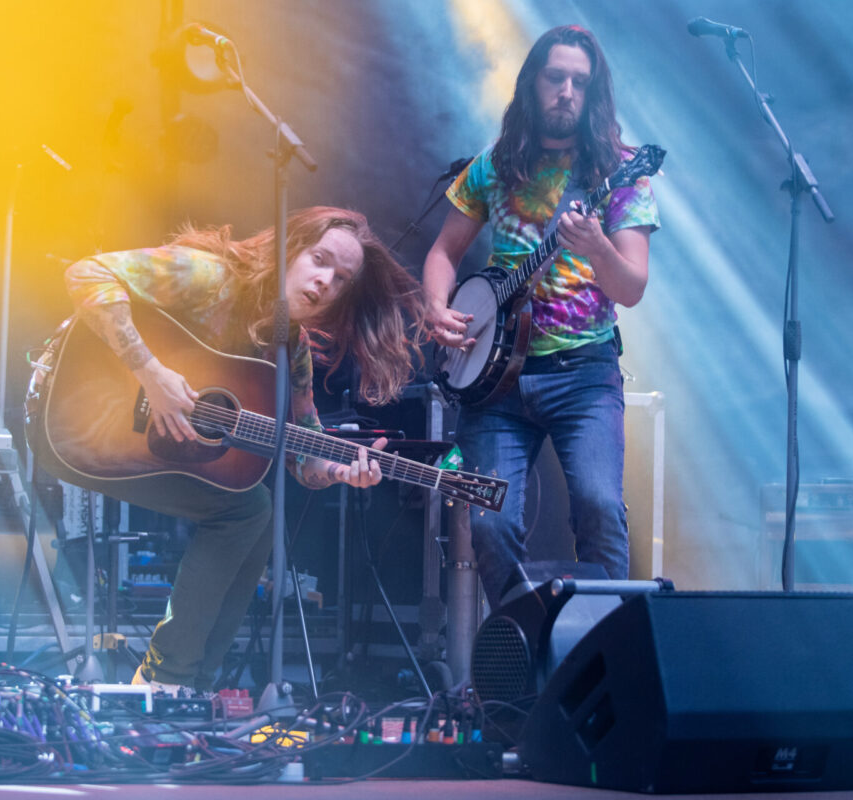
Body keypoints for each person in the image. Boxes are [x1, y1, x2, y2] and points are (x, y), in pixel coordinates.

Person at [53, 206, 425, 692]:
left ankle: (191, 688)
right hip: (76, 413)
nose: (324, 282)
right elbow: (85, 273)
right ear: (290, 248)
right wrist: (152, 373)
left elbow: (302, 452)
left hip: (127, 445)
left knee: (257, 510)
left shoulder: (290, 350)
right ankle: (167, 679)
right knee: (247, 511)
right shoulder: (210, 278)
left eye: (340, 279)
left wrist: (340, 471)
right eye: (318, 260)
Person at [423, 25, 659, 609]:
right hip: (493, 380)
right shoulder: (493, 166)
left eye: (581, 82)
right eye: (556, 77)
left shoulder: (621, 172)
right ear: (532, 82)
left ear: (594, 93)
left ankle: (602, 663)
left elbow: (630, 287)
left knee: (601, 509)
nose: (567, 91)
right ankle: (524, 652)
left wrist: (596, 246)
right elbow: (442, 253)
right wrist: (435, 306)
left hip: (584, 374)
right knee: (489, 525)